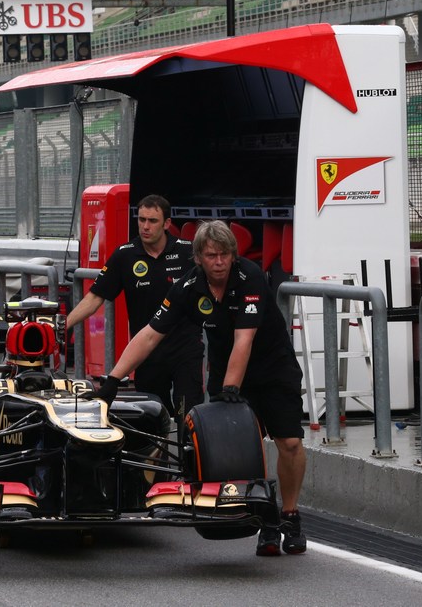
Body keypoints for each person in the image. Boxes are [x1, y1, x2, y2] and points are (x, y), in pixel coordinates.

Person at [93, 220, 307, 557]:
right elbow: (150, 334)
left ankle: (291, 515)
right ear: (199, 258)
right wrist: (114, 380)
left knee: (290, 443)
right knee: (239, 448)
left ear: (233, 256)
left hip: (271, 366)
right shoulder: (188, 286)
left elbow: (244, 338)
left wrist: (232, 386)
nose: (219, 262)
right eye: (212, 256)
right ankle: (265, 519)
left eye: (225, 255)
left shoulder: (249, 277)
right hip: (227, 371)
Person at [65, 194, 201, 419]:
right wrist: (63, 324)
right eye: (141, 220)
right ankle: (159, 455)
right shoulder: (125, 255)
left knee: (188, 418)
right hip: (146, 352)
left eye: (153, 221)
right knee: (152, 419)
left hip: (185, 350)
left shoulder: (188, 252)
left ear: (167, 224)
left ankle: (188, 453)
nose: (145, 226)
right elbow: (94, 298)